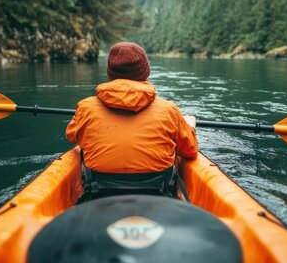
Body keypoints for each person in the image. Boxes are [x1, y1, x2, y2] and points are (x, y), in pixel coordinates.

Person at [66, 42, 198, 201]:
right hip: (157, 194)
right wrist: (190, 126)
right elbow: (190, 151)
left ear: (110, 73)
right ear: (145, 72)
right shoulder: (169, 110)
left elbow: (72, 136)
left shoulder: (85, 107)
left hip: (100, 193)